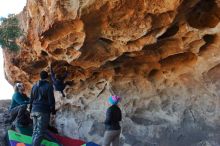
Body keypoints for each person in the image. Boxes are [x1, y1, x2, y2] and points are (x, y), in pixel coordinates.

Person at [30, 71, 56, 146]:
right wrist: (53, 111)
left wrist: (31, 110)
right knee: (40, 132)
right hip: (43, 110)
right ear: (47, 77)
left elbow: (31, 99)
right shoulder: (48, 86)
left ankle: (34, 144)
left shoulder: (34, 86)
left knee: (35, 130)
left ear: (40, 77)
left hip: (34, 110)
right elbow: (51, 100)